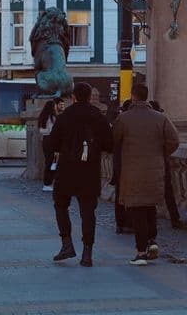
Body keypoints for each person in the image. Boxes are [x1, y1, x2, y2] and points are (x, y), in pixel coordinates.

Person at [47, 82, 113, 267]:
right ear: (89, 96)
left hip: (67, 169)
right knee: (88, 212)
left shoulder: (64, 116)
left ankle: (67, 244)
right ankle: (87, 253)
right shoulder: (98, 117)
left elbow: (52, 144)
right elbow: (110, 144)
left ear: (74, 97)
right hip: (89, 171)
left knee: (60, 205)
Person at [113, 84, 179, 265]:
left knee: (138, 211)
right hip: (155, 170)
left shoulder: (124, 119)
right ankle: (152, 241)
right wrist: (161, 152)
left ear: (133, 96)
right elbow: (174, 140)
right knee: (150, 207)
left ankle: (141, 251)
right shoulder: (160, 118)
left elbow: (114, 141)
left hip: (132, 172)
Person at [148, 100, 182, 229]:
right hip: (161, 160)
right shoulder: (162, 120)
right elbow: (174, 140)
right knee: (168, 190)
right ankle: (175, 218)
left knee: (147, 192)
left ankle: (150, 220)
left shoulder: (145, 122)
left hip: (145, 162)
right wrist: (164, 152)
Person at [110, 98, 132, 234]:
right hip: (131, 165)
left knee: (120, 195)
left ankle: (121, 223)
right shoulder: (128, 122)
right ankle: (129, 223)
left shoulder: (120, 122)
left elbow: (112, 141)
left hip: (120, 164)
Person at [38, 97, 65, 191]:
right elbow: (54, 130)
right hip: (51, 140)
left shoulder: (43, 117)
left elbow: (41, 130)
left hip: (46, 140)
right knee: (52, 162)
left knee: (49, 162)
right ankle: (48, 183)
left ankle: (48, 183)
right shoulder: (52, 117)